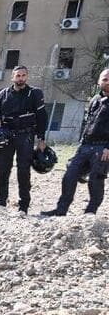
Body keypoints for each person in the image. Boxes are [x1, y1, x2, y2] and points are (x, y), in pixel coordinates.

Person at [40, 68, 109, 217]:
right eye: (105, 79)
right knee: (70, 175)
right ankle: (61, 210)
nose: (108, 82)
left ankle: (90, 213)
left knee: (96, 179)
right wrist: (81, 144)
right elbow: (89, 123)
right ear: (99, 82)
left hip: (103, 147)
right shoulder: (95, 100)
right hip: (86, 145)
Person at [0, 65, 48, 213]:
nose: (20, 78)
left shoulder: (34, 93)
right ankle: (1, 202)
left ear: (26, 77)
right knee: (2, 169)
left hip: (25, 135)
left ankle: (23, 206)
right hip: (6, 135)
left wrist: (41, 138)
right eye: (18, 75)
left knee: (23, 170)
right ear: (12, 77)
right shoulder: (3, 94)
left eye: (23, 75)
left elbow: (42, 117)